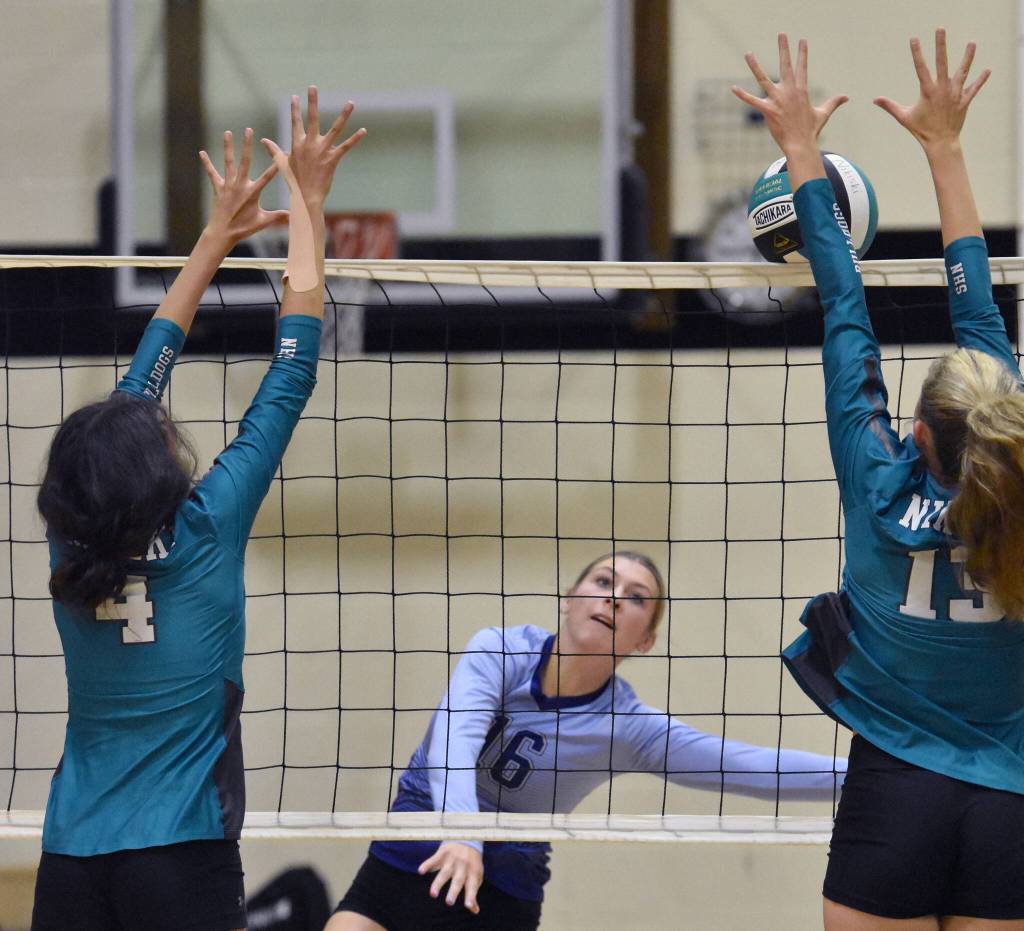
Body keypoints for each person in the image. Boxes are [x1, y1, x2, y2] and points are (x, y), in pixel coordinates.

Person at [30, 89, 365, 931]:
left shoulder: (70, 541)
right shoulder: (207, 529)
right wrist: (306, 209)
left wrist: (215, 238)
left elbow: (132, 401)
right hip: (181, 856)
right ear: (155, 467)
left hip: (70, 857)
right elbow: (292, 370)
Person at [734, 31, 1024, 928]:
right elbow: (982, 314)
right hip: (1013, 799)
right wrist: (948, 149)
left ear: (916, 434)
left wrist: (800, 154)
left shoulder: (879, 483)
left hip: (898, 782)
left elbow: (844, 308)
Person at [328, 551, 846, 930]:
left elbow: (749, 766)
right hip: (415, 849)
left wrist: (869, 776)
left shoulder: (628, 727)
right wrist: (463, 834)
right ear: (570, 598)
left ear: (646, 641)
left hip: (500, 889)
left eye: (636, 598)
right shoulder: (499, 651)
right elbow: (453, 742)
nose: (614, 598)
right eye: (603, 582)